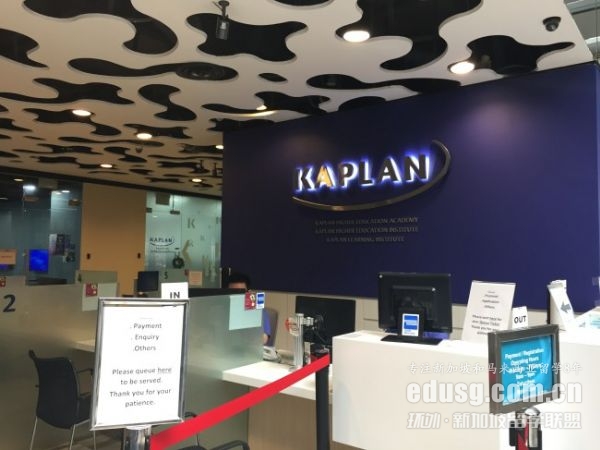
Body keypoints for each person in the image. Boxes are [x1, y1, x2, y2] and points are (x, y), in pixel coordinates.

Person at [226, 272, 272, 345]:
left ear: (248, 292)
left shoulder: (258, 310)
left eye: (241, 292)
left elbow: (263, 339)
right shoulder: (223, 309)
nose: (236, 296)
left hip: (250, 349)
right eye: (232, 292)